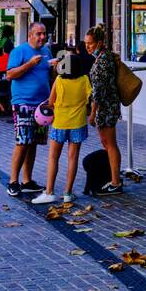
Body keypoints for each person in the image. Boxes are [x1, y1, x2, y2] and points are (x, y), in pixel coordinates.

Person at [31, 48, 93, 206]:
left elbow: (51, 102)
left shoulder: (59, 80)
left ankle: (49, 191)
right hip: (78, 123)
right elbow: (89, 99)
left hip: (60, 122)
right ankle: (67, 193)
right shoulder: (85, 79)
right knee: (73, 158)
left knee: (53, 157)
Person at [6, 22, 54, 197]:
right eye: (39, 34)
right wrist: (29, 64)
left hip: (42, 105)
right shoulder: (20, 51)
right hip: (23, 103)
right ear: (30, 35)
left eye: (44, 34)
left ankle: (27, 181)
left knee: (33, 142)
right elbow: (9, 75)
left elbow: (47, 75)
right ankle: (13, 181)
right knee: (23, 141)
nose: (42, 37)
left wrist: (55, 66)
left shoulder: (47, 52)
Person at [84, 24, 123, 194]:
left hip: (105, 108)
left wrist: (92, 114)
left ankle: (115, 182)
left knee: (110, 144)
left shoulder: (102, 60)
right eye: (86, 43)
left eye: (90, 43)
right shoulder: (103, 57)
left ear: (99, 42)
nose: (87, 47)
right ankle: (113, 177)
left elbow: (98, 91)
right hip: (108, 106)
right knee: (107, 144)